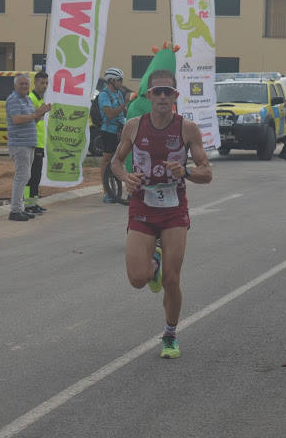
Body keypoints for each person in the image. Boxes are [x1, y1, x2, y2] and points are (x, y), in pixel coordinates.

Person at [110, 69, 213, 359]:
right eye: (158, 92)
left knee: (171, 279)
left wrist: (188, 172)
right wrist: (125, 177)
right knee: (138, 279)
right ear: (149, 96)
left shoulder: (188, 129)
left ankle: (170, 334)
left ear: (176, 96)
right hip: (142, 205)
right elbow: (116, 162)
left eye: (169, 92)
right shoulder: (133, 126)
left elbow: (207, 173)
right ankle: (152, 262)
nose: (164, 97)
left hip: (173, 209)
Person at [5, 74, 50, 221]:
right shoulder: (13, 100)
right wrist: (35, 114)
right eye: (21, 84)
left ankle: (22, 208)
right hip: (20, 144)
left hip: (30, 144)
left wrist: (41, 114)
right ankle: (15, 211)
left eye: (26, 84)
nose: (24, 86)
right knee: (21, 177)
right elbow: (17, 119)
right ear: (15, 86)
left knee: (27, 177)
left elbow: (33, 120)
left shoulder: (27, 100)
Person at [99, 67, 127, 203]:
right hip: (108, 131)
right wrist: (124, 104)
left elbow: (123, 112)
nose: (121, 82)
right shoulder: (104, 94)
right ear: (111, 81)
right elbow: (110, 114)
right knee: (106, 159)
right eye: (119, 80)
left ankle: (118, 188)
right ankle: (106, 192)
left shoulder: (118, 93)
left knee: (119, 158)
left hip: (120, 130)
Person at [24, 71, 48, 214]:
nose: (44, 86)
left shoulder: (40, 99)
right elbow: (29, 120)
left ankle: (34, 203)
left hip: (39, 143)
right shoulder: (31, 98)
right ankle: (27, 205)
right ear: (35, 83)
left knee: (36, 177)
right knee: (30, 177)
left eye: (46, 83)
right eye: (42, 83)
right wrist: (40, 112)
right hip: (31, 143)